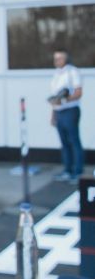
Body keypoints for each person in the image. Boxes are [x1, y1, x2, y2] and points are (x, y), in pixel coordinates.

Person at [48, 49, 83, 183]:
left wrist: (63, 100)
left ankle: (77, 172)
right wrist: (53, 114)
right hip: (59, 112)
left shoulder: (72, 72)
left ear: (66, 59)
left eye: (59, 58)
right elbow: (54, 98)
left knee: (74, 141)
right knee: (64, 143)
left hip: (70, 110)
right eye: (55, 58)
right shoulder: (56, 74)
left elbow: (78, 92)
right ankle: (67, 170)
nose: (56, 61)